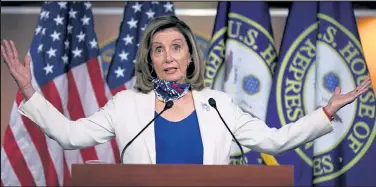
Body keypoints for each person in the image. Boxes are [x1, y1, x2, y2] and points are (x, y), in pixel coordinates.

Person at [1, 15, 372, 165]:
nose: (168, 57)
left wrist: (325, 113)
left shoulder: (218, 104)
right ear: (150, 59)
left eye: (176, 47)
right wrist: (29, 90)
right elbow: (70, 135)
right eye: (158, 50)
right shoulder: (126, 105)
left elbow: (274, 140)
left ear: (191, 57)